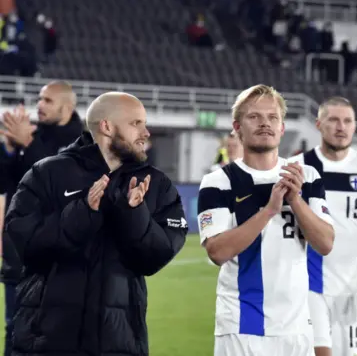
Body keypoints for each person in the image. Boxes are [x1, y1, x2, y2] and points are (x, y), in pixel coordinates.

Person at [3, 92, 188, 356]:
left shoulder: (156, 185)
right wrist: (83, 212)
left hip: (118, 344)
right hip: (46, 343)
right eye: (136, 123)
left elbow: (156, 257)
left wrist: (133, 214)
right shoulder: (47, 173)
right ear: (106, 126)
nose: (146, 132)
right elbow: (21, 246)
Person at [197, 84, 335, 356]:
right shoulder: (218, 182)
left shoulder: (306, 176)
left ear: (282, 128)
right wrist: (269, 211)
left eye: (273, 117)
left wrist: (295, 200)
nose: (265, 123)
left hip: (296, 329)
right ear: (237, 127)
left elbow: (326, 243)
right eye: (254, 117)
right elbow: (217, 251)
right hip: (240, 325)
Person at [289, 97, 357, 356]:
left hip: (354, 290)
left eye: (347, 121)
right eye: (333, 120)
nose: (340, 127)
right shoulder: (300, 167)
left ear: (355, 126)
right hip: (311, 287)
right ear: (318, 124)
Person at [0, 80, 84, 356]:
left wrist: (28, 143)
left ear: (67, 107)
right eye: (39, 98)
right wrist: (10, 149)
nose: (39, 104)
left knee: (55, 335)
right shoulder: (34, 135)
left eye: (48, 100)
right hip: (20, 255)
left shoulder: (82, 142)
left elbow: (62, 185)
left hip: (58, 261)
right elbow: (7, 184)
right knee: (13, 330)